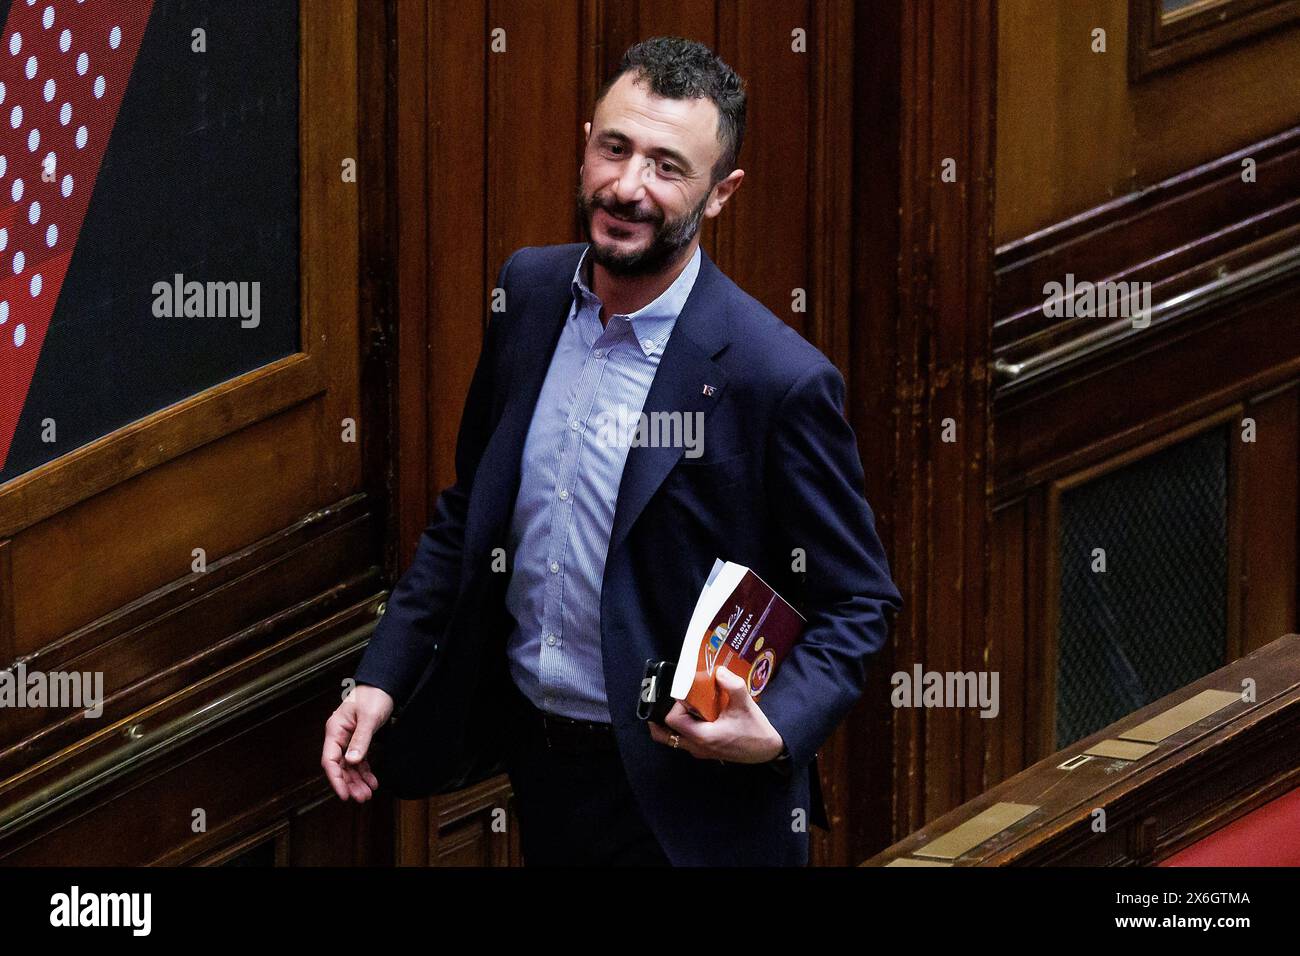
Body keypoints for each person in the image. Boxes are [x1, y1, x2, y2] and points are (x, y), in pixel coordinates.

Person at [321, 35, 902, 866]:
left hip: (694, 809)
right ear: (585, 140)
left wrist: (773, 731)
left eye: (668, 167)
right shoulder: (526, 294)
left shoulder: (777, 379)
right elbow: (470, 515)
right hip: (542, 769)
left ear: (721, 193)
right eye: (614, 148)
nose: (627, 187)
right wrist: (381, 676)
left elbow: (860, 602)